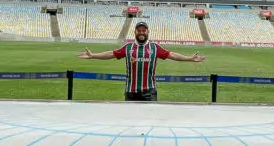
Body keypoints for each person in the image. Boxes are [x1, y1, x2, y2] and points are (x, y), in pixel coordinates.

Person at [77, 20, 205, 101]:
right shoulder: (128, 48)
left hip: (149, 92)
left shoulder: (155, 48)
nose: (141, 32)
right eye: (139, 31)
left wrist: (189, 58)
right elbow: (110, 54)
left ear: (148, 32)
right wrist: (93, 55)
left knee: (149, 124)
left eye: (144, 30)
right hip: (131, 92)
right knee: (131, 125)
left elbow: (172, 55)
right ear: (135, 32)